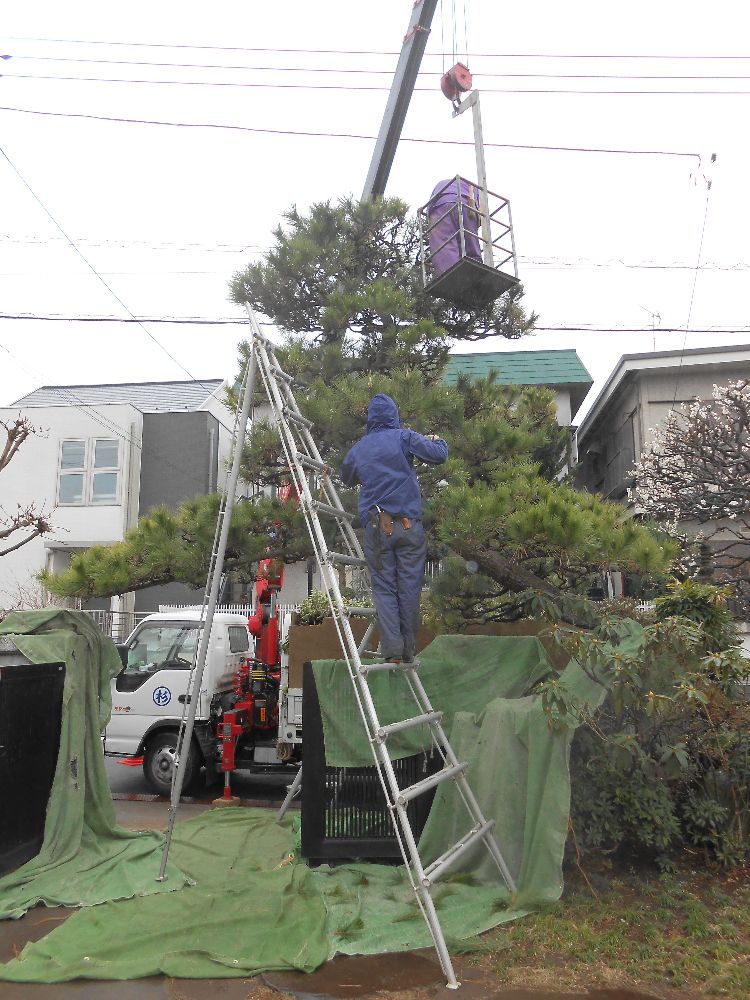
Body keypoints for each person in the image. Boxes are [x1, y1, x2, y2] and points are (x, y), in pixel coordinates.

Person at [340, 394, 448, 663]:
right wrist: (436, 440)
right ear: (394, 416)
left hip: (378, 529)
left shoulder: (360, 448)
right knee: (410, 588)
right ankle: (409, 650)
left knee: (385, 588)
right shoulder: (404, 437)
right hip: (409, 527)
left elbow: (346, 476)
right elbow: (439, 455)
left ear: (371, 420)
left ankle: (393, 652)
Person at [427, 177, 482, 277]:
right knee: (470, 242)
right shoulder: (476, 191)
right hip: (467, 203)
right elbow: (477, 217)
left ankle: (449, 273)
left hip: (440, 206)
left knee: (444, 244)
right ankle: (475, 272)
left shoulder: (443, 184)